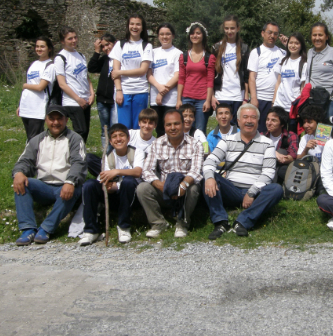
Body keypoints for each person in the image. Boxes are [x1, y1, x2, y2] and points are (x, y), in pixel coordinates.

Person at [203, 103, 283, 239]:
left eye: (253, 117)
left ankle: (242, 222)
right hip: (232, 189)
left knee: (276, 189)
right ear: (238, 121)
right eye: (245, 117)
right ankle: (221, 222)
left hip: (255, 190)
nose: (249, 121)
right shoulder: (227, 140)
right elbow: (210, 161)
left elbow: (269, 172)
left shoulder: (267, 143)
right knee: (207, 177)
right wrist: (210, 178)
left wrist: (252, 192)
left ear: (258, 121)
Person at [12, 106, 86, 245]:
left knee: (75, 188)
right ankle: (28, 229)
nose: (55, 122)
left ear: (66, 120)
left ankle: (46, 229)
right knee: (21, 181)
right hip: (43, 185)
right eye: (51, 119)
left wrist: (70, 181)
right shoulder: (37, 140)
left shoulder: (75, 139)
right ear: (46, 120)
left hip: (64, 185)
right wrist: (19, 173)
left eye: (59, 119)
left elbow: (79, 164)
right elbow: (24, 160)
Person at [136, 110, 204, 238]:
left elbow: (196, 171)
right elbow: (146, 170)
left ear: (183, 124)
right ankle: (158, 223)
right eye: (168, 125)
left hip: (185, 190)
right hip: (163, 189)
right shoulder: (157, 143)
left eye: (176, 124)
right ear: (164, 126)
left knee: (194, 188)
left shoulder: (195, 144)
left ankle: (182, 223)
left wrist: (183, 186)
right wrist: (161, 185)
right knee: (142, 188)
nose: (172, 128)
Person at [79, 124, 143, 246]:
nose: (118, 139)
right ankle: (91, 230)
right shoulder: (108, 157)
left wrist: (117, 172)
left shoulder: (136, 152)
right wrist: (108, 187)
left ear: (128, 138)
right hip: (113, 196)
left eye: (121, 135)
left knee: (128, 181)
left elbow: (137, 172)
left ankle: (124, 227)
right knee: (89, 185)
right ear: (110, 141)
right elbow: (104, 180)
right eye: (114, 137)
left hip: (131, 196)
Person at [110, 13, 153, 130]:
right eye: (132, 24)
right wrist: (119, 90)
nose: (135, 27)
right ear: (128, 26)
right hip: (124, 91)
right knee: (123, 127)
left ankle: (137, 149)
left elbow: (143, 70)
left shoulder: (147, 46)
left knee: (139, 126)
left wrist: (121, 72)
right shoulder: (120, 45)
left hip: (140, 91)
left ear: (142, 27)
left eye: (138, 24)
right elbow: (115, 71)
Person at [54, 27, 95, 142]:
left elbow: (86, 76)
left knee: (85, 131)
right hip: (72, 101)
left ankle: (80, 155)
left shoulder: (81, 55)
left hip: (86, 99)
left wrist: (92, 93)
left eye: (75, 37)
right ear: (63, 41)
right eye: (70, 39)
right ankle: (73, 155)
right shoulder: (60, 58)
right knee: (80, 131)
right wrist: (78, 99)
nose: (74, 41)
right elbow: (62, 84)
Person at [177, 22, 216, 134]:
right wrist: (179, 99)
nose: (195, 36)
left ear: (203, 36)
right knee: (184, 129)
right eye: (192, 33)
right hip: (186, 97)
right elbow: (181, 78)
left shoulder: (210, 57)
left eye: (198, 33)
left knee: (200, 130)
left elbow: (210, 81)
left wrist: (208, 100)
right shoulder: (183, 56)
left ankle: (202, 151)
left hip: (202, 99)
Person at [212, 15, 251, 124]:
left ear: (238, 28)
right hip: (221, 95)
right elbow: (211, 73)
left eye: (232, 28)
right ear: (223, 29)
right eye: (227, 28)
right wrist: (212, 96)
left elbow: (246, 75)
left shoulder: (244, 48)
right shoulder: (217, 47)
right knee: (223, 128)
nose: (229, 31)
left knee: (237, 129)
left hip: (238, 96)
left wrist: (245, 97)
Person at [247, 22, 286, 132]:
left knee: (275, 131)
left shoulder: (282, 52)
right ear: (263, 33)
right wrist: (254, 98)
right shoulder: (256, 52)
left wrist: (287, 44)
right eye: (269, 32)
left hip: (277, 100)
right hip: (260, 99)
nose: (272, 36)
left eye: (275, 33)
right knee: (259, 131)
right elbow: (251, 77)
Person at [306, 22, 333, 123]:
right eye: (314, 35)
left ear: (327, 37)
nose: (317, 38)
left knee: (327, 130)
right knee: (316, 129)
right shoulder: (310, 52)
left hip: (331, 100)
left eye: (320, 35)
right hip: (315, 99)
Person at [17, 36, 56, 141]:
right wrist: (21, 105)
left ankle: (34, 157)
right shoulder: (34, 64)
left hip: (38, 106)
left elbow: (40, 87)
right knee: (29, 136)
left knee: (34, 138)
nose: (39, 49)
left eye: (42, 47)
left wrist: (25, 85)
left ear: (49, 49)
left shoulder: (50, 65)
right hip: (27, 105)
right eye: (37, 46)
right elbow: (31, 83)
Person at [148, 23, 182, 136]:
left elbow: (177, 76)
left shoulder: (177, 53)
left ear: (173, 36)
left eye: (168, 34)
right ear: (158, 36)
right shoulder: (153, 52)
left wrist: (162, 93)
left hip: (171, 99)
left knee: (172, 129)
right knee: (159, 130)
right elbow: (149, 74)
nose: (165, 37)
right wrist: (158, 88)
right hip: (154, 98)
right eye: (161, 34)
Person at [272, 32, 308, 132]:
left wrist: (300, 107)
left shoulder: (304, 63)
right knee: (278, 133)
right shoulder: (283, 60)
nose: (293, 45)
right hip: (280, 105)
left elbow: (302, 88)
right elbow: (278, 83)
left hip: (293, 107)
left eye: (296, 43)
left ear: (301, 45)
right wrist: (274, 102)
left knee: (292, 135)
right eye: (291, 43)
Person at [87, 33, 117, 147]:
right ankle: (106, 157)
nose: (106, 48)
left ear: (115, 43)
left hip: (114, 100)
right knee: (105, 130)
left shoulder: (120, 59)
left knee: (115, 129)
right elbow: (92, 68)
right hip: (102, 100)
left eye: (108, 45)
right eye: (103, 46)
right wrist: (96, 51)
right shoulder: (105, 59)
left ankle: (116, 155)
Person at [261, 107, 297, 184]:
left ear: (282, 124)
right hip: (264, 166)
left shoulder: (291, 136)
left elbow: (293, 156)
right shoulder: (262, 136)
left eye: (273, 120)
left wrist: (283, 159)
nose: (269, 123)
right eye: (267, 119)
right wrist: (275, 154)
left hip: (281, 166)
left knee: (282, 152)